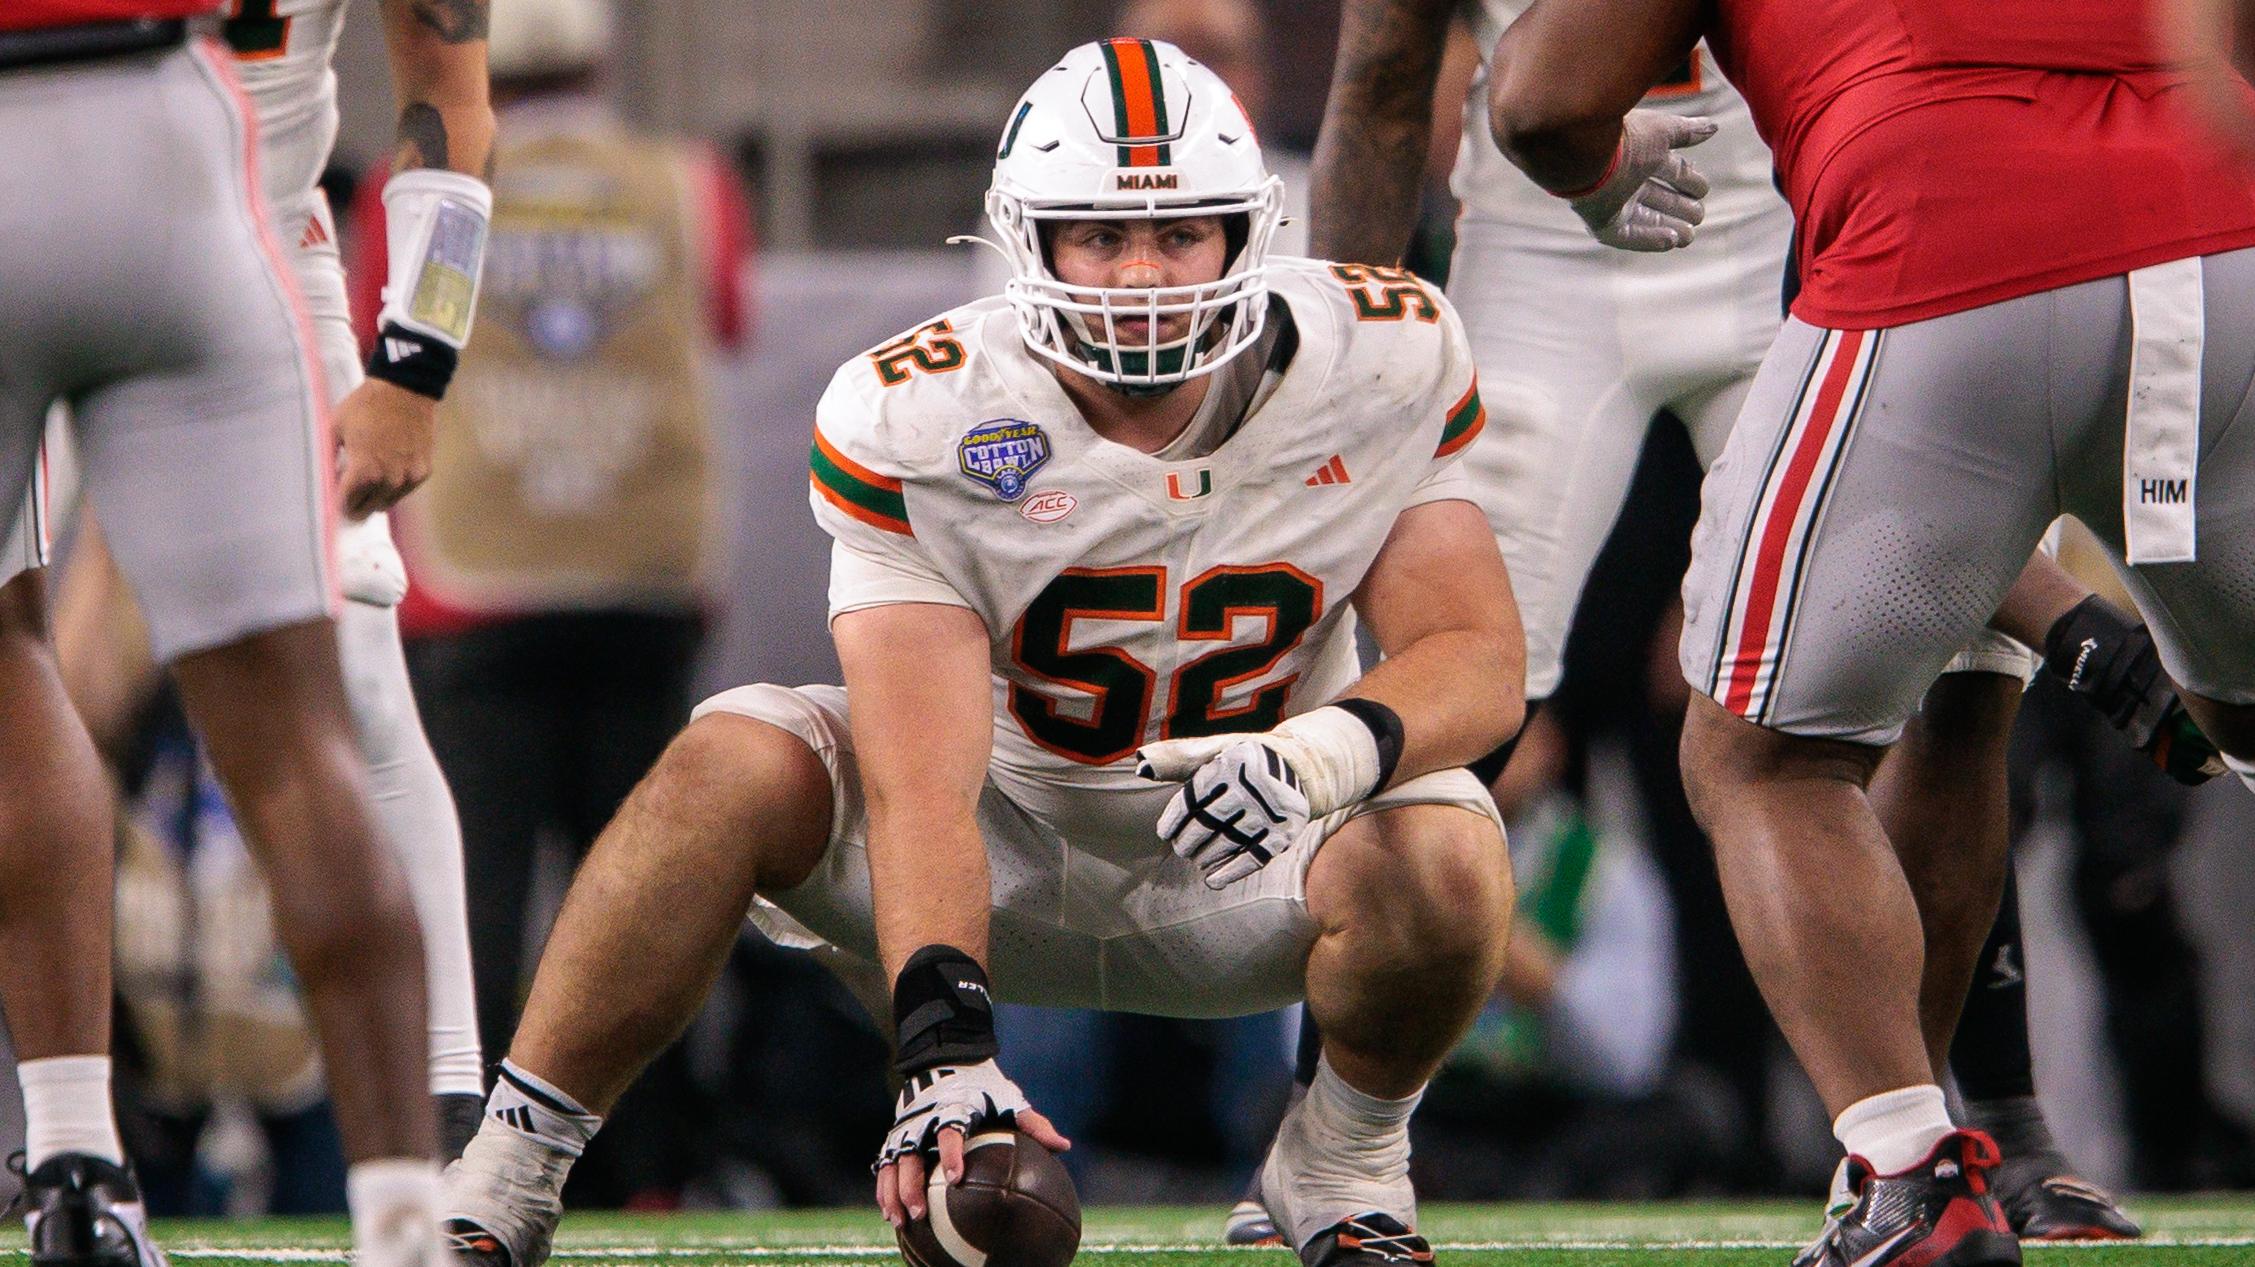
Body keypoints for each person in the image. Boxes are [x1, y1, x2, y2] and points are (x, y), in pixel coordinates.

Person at [443, 38, 1523, 1267]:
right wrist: (941, 1047)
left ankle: (1339, 1166)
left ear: (1245, 232)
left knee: (1447, 847)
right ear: (1027, 241)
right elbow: (919, 776)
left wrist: (1318, 755)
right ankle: (504, 1178)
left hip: (1255, 857)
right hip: (999, 841)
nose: (1139, 276)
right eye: (1099, 238)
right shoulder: (927, 409)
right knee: (722, 763)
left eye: (1177, 235)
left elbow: (1475, 655)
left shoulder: (1373, 356)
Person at [1228, 0, 2194, 1245]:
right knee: (1445, 687)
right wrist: (1347, 366)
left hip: (1794, 243)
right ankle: (1332, 1135)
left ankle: (1988, 1125)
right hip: (1541, 266)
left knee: (1948, 675)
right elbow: (1378, 84)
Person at [1489, 0, 2255, 1263]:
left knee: (1762, 759)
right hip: (2220, 237)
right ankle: (1982, 1129)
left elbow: (1539, 96)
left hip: (1942, 237)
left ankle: (1908, 1173)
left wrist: (1599, 173)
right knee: (2203, 721)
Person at [0, 2, 479, 1264]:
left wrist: (414, 363)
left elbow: (449, 89)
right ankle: (101, 1154)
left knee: (355, 685)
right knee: (298, 720)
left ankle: (450, 1126)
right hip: (181, 181)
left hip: (259, 218)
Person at [354, 8, 749, 1183]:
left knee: (474, 885)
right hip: (644, 579)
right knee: (654, 900)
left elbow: (378, 344)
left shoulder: (404, 183)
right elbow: (731, 317)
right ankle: (653, 1174)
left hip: (475, 586)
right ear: (603, 50)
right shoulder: (690, 182)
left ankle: (466, 1168)